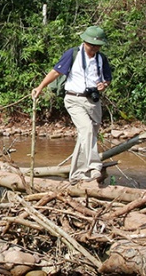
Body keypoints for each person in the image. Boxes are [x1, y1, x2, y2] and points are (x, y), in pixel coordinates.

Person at [32, 26, 112, 184]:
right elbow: (56, 72)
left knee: (87, 136)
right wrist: (39, 88)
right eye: (91, 45)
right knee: (87, 130)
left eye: (97, 46)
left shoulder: (101, 58)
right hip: (74, 99)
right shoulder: (73, 54)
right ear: (84, 42)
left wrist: (104, 85)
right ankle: (94, 166)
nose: (94, 48)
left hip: (93, 101)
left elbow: (107, 78)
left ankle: (76, 175)